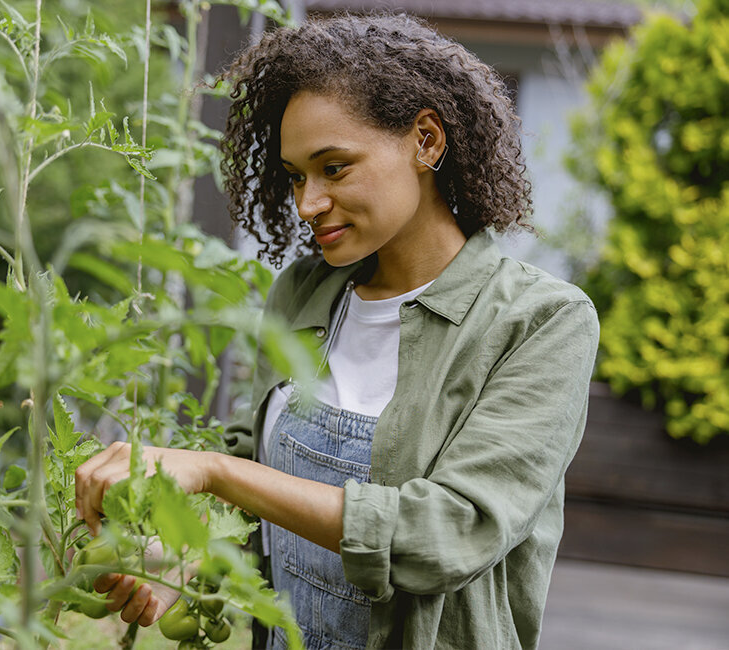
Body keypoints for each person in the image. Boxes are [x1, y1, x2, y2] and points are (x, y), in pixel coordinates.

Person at [75, 13, 599, 650]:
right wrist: (183, 560)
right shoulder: (304, 291)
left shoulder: (539, 322)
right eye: (296, 175)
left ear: (426, 141)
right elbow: (258, 472)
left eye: (335, 167)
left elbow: (450, 534)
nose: (306, 204)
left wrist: (212, 471)